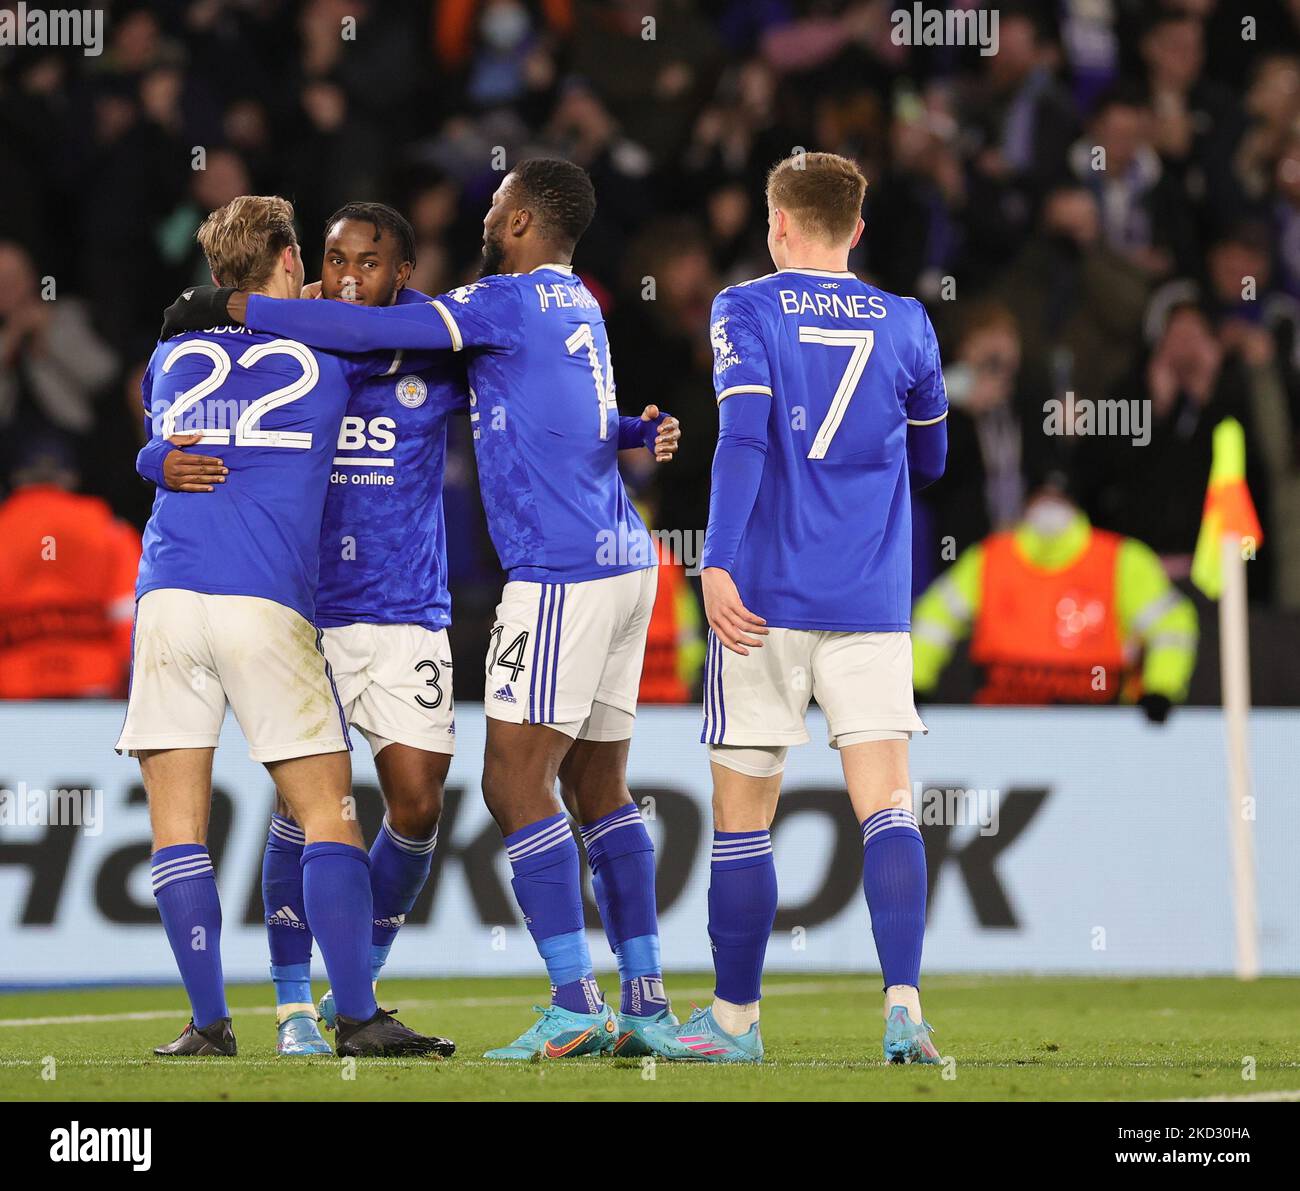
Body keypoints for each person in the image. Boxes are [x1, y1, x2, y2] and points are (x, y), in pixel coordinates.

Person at [160, 159, 685, 1061]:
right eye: (333, 260)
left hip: (409, 613)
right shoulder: (297, 351)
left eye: (369, 262)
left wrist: (632, 430)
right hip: (312, 610)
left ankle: (358, 990)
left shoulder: (446, 347)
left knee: (415, 808)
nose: (348, 278)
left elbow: (544, 405)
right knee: (308, 808)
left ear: (403, 276)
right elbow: (190, 437)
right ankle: (295, 1008)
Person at [120, 194, 451, 1059]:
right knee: (327, 814)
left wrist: (154, 457)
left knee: (177, 829)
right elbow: (409, 330)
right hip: (265, 599)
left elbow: (153, 441)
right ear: (286, 256)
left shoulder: (172, 354)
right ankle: (356, 1014)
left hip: (166, 597)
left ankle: (208, 1023)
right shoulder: (325, 345)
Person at [642, 151, 948, 1065]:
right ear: (856, 229)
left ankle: (735, 1022)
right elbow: (933, 463)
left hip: (762, 602)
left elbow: (741, 439)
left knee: (743, 817)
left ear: (778, 226)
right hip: (870, 599)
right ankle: (904, 1011)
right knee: (887, 809)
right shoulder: (908, 323)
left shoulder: (745, 307)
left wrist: (718, 562)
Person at [912, 477, 1197, 718]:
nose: (1050, 507)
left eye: (1059, 497)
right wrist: (915, 683)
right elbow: (935, 619)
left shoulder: (1121, 559)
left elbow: (1172, 625)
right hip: (1001, 721)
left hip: (1098, 723)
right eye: (1042, 496)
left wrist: (1161, 688)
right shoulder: (990, 558)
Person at [0, 433, 139, 699]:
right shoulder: (109, 528)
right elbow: (131, 613)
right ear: (71, 477)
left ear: (16, 476)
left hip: (12, 689)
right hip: (94, 680)